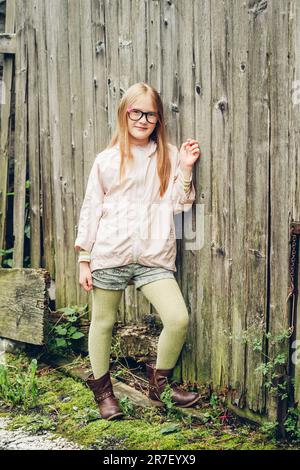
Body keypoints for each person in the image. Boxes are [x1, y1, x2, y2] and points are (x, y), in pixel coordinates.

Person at [74, 82, 201, 420]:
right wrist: (84, 257)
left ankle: (159, 386)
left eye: (151, 114)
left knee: (178, 318)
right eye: (137, 112)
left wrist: (186, 168)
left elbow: (181, 204)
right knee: (102, 323)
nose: (143, 120)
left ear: (158, 119)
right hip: (110, 254)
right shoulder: (106, 160)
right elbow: (91, 208)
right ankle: (104, 394)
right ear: (124, 114)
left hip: (153, 257)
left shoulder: (169, 155)